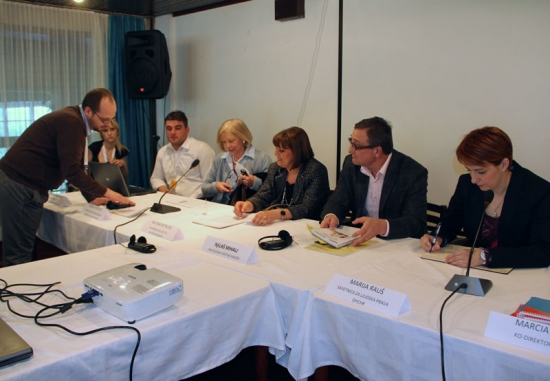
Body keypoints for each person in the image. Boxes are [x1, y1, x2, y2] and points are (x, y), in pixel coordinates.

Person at [0, 88, 134, 266]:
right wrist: (108, 192)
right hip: (20, 186)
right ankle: (16, 292)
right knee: (19, 255)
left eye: (111, 119)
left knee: (25, 249)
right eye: (104, 119)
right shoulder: (71, 123)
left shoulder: (76, 120)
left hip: (23, 184)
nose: (108, 124)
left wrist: (92, 198)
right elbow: (72, 171)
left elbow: (79, 165)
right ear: (88, 111)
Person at [420, 126, 550, 269]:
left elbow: (542, 252)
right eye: (469, 170)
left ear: (504, 164)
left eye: (480, 172)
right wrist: (437, 237)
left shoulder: (539, 192)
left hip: (518, 273)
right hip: (473, 270)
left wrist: (485, 257)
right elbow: (451, 222)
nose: (474, 179)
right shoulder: (467, 184)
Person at [320, 117, 427, 246]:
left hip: (395, 244)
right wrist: (332, 215)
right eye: (351, 141)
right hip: (359, 240)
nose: (350, 150)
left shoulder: (412, 173)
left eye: (356, 145)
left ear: (377, 151)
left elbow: (416, 222)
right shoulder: (351, 164)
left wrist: (383, 226)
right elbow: (339, 199)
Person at [233, 126, 330, 225]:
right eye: (276, 148)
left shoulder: (316, 170)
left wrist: (277, 213)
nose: (275, 153)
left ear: (298, 152)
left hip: (306, 225)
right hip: (279, 223)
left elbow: (307, 208)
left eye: (282, 150)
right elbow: (263, 195)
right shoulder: (275, 168)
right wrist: (249, 204)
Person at [201, 119, 271, 204]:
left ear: (243, 138)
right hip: (219, 208)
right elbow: (204, 188)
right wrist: (216, 186)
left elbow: (271, 192)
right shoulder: (220, 159)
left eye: (231, 141)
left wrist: (254, 182)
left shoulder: (262, 159)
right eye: (224, 142)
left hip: (247, 209)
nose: (228, 146)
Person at [150, 111, 215, 198]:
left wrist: (189, 200)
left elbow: (209, 184)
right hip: (171, 200)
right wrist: (166, 193)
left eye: (177, 128)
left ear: (187, 130)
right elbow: (156, 178)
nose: (173, 132)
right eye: (169, 128)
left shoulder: (202, 149)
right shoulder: (163, 151)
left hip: (198, 201)